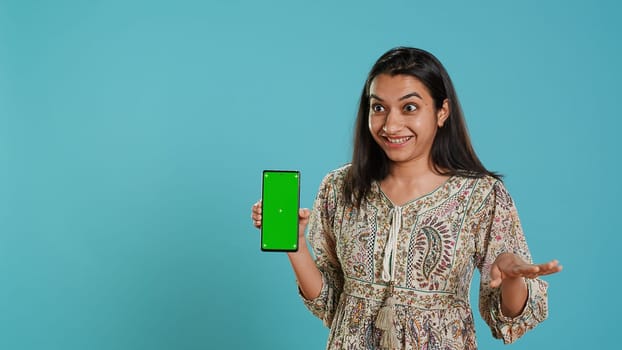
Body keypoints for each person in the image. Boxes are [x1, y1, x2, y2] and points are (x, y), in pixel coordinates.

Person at [250, 47, 562, 349]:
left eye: (409, 107)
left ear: (442, 112)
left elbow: (509, 318)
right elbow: (331, 303)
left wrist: (511, 280)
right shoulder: (339, 187)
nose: (391, 125)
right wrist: (295, 243)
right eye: (378, 107)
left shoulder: (480, 195)